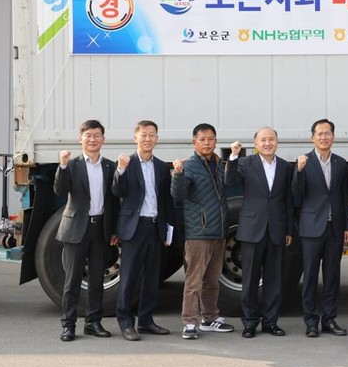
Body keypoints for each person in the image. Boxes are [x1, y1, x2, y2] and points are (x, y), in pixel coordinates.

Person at [225, 127, 293, 338]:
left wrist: (289, 229)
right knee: (250, 279)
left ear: (277, 142)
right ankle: (249, 322)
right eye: (263, 140)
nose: (267, 143)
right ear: (255, 144)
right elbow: (229, 180)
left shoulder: (285, 166)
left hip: (276, 229)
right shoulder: (246, 163)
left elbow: (288, 200)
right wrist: (234, 156)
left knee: (274, 280)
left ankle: (270, 322)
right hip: (252, 229)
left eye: (271, 139)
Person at [54, 119, 118, 342]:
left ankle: (93, 322)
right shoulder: (72, 165)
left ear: (103, 139)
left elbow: (114, 200)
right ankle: (68, 325)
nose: (92, 139)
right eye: (88, 136)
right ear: (80, 139)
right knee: (72, 280)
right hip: (76, 228)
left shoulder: (109, 166)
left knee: (97, 279)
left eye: (96, 135)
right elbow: (60, 190)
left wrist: (114, 230)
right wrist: (62, 165)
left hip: (100, 228)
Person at [171, 123, 235, 340]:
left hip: (218, 232)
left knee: (212, 280)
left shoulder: (217, 164)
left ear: (216, 141)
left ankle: (210, 318)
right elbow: (178, 195)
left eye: (210, 139)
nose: (207, 143)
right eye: (202, 139)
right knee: (194, 281)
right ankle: (190, 322)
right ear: (194, 143)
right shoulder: (189, 166)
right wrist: (178, 175)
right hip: (199, 233)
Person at [112, 120, 173, 341]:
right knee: (129, 277)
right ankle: (126, 322)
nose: (148, 139)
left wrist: (168, 230)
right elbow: (117, 192)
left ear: (157, 139)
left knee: (152, 277)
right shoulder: (127, 163)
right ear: (135, 138)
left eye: (152, 135)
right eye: (144, 135)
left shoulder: (161, 167)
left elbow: (166, 200)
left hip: (155, 226)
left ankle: (146, 321)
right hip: (134, 228)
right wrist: (120, 170)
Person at [292, 119, 348, 338]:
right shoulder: (304, 161)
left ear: (333, 137)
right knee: (310, 276)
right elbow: (296, 193)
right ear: (312, 137)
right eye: (320, 134)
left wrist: (347, 226)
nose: (324, 137)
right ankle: (310, 322)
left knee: (332, 276)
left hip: (335, 228)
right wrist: (298, 171)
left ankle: (329, 319)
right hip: (311, 228)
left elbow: (345, 196)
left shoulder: (340, 163)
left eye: (327, 133)